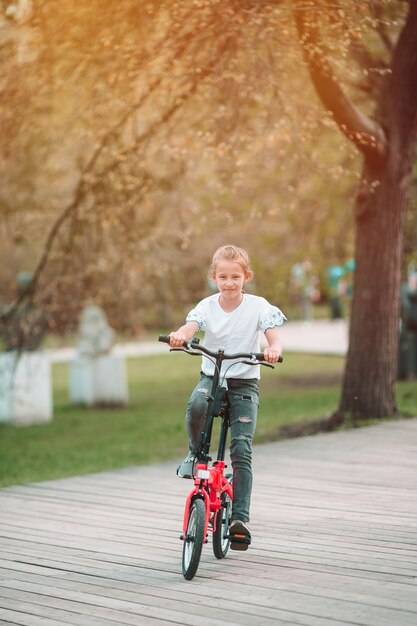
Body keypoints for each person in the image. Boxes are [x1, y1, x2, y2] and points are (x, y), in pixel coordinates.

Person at [168, 244, 286, 546]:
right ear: (214, 277)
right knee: (197, 403)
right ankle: (196, 454)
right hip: (213, 376)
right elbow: (193, 325)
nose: (230, 282)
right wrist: (182, 335)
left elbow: (273, 335)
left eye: (236, 276)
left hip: (244, 382)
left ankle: (239, 520)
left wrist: (273, 349)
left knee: (242, 448)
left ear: (246, 276)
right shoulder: (207, 306)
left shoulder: (259, 306)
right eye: (223, 277)